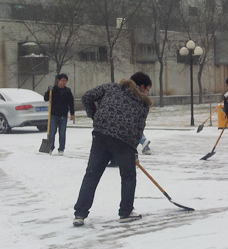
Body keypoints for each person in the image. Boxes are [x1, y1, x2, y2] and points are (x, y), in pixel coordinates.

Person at [72, 72, 153, 227]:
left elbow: (87, 97)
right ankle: (126, 212)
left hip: (101, 135)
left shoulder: (111, 87)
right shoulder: (143, 102)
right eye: (148, 89)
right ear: (142, 86)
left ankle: (80, 214)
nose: (148, 93)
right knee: (128, 176)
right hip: (124, 142)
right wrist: (133, 150)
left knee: (92, 176)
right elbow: (139, 128)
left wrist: (95, 116)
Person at [43, 73, 75, 156]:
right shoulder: (53, 90)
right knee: (52, 132)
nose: (64, 82)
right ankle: (50, 147)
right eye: (62, 81)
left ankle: (61, 149)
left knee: (62, 133)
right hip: (53, 115)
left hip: (63, 115)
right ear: (58, 81)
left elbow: (71, 103)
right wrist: (48, 91)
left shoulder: (68, 91)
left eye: (65, 81)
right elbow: (46, 99)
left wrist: (72, 113)